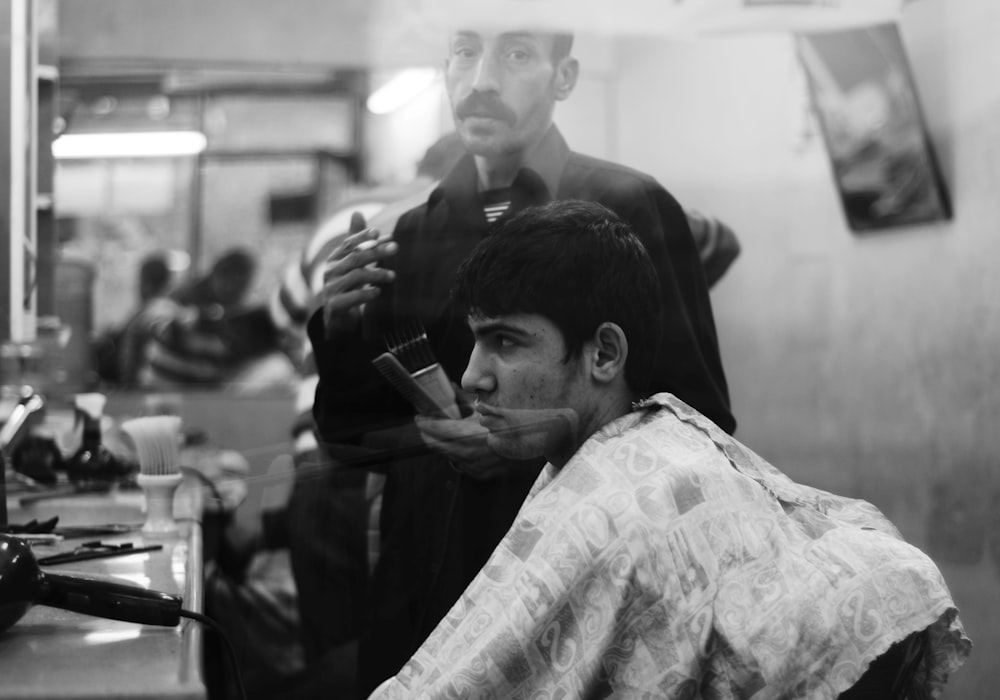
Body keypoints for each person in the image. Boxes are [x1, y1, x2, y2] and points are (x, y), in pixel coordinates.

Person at [370, 200, 971, 699]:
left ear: (604, 353)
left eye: (505, 341)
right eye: (478, 339)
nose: (472, 376)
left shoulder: (616, 510)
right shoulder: (651, 438)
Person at [310, 28, 734, 693]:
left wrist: (531, 439)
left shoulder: (624, 209)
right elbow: (351, 440)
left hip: (571, 590)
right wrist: (339, 331)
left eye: (514, 54)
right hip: (424, 592)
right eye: (464, 51)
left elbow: (698, 423)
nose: (480, 80)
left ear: (564, 78)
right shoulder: (411, 233)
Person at [141, 247, 283, 388]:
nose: (239, 293)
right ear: (220, 276)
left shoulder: (235, 315)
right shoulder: (183, 301)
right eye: (238, 284)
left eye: (245, 286)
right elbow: (153, 318)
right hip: (165, 391)